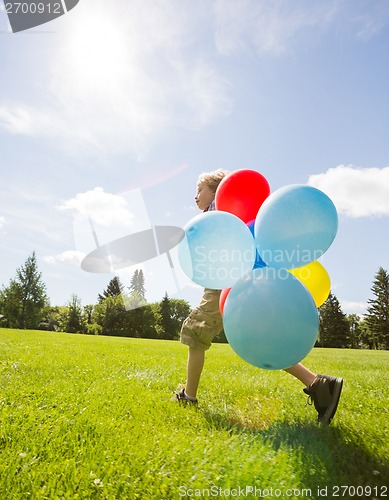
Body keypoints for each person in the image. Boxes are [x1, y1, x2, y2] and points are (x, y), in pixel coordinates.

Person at [175, 169, 343, 425]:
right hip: (234, 282)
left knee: (195, 335)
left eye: (199, 190)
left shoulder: (218, 213)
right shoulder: (224, 216)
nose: (195, 196)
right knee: (260, 340)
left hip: (224, 282)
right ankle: (318, 384)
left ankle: (189, 396)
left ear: (215, 190)